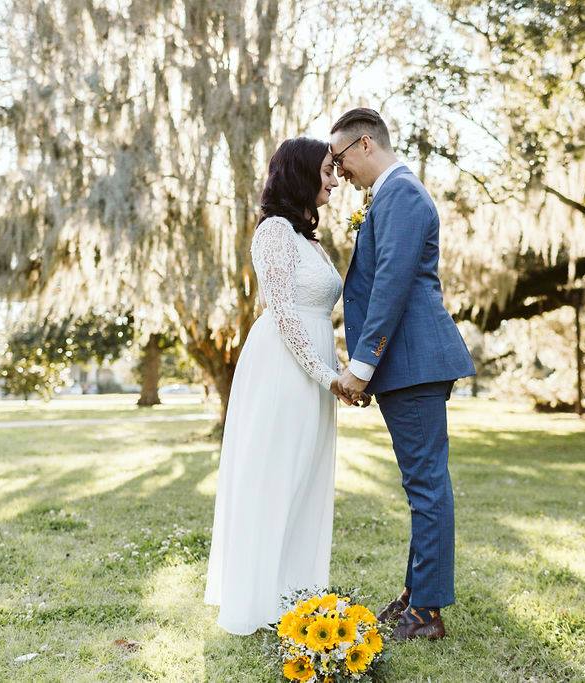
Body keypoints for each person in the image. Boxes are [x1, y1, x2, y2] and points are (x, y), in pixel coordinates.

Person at [203, 137, 366, 635]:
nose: (335, 180)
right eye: (326, 171)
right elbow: (283, 311)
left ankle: (293, 592)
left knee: (305, 476)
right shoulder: (273, 232)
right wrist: (326, 375)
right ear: (299, 175)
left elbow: (319, 313)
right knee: (274, 474)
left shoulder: (310, 241)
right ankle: (257, 596)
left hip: (316, 366)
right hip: (283, 366)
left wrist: (341, 369)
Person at [329, 108, 476, 640]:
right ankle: (417, 592)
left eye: (340, 159)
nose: (339, 173)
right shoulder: (389, 197)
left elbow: (391, 283)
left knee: (426, 484)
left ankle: (427, 612)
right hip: (408, 363)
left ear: (365, 144)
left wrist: (362, 366)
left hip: (412, 362)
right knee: (421, 484)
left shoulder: (403, 195)